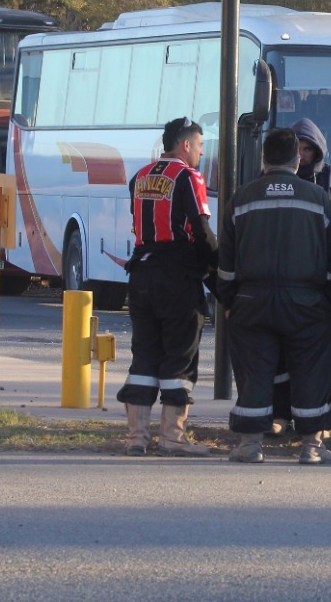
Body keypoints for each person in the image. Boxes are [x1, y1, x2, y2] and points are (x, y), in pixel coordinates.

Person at [217, 128, 331, 464]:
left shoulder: (242, 198)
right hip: (308, 303)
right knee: (311, 371)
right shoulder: (318, 198)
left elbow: (225, 265)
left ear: (264, 158)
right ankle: (312, 448)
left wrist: (229, 302)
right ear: (296, 159)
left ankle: (250, 445)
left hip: (251, 301)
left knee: (254, 372)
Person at [116, 117, 216, 457]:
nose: (201, 153)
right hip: (177, 276)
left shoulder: (140, 177)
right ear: (185, 145)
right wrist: (217, 269)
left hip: (141, 274)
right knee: (179, 356)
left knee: (144, 354)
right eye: (200, 146)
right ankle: (172, 438)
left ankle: (136, 438)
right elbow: (201, 232)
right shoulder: (188, 177)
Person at [266, 118, 331, 433]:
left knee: (318, 355)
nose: (303, 155)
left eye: (308, 148)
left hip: (322, 284)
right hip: (283, 281)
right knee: (282, 355)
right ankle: (283, 414)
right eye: (299, 148)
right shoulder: (270, 179)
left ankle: (317, 419)